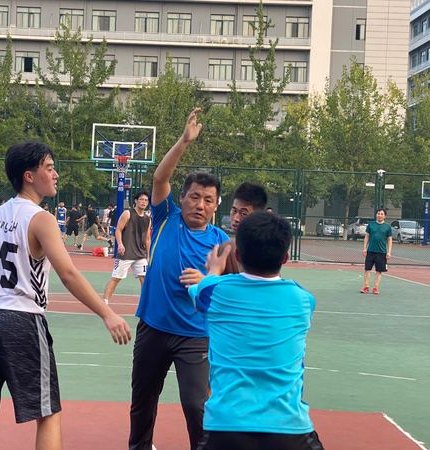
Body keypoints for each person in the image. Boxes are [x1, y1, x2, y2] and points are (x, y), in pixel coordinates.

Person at [0, 140, 131, 450]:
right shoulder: (41, 219)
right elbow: (68, 274)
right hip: (21, 320)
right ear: (29, 176)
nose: (55, 174)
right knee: (48, 413)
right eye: (49, 168)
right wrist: (107, 313)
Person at [129, 108, 230, 450]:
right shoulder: (166, 217)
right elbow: (160, 179)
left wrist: (208, 278)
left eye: (208, 200)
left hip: (195, 335)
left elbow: (232, 290)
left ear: (215, 206)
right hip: (153, 327)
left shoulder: (222, 243)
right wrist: (184, 141)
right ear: (182, 198)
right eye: (194, 196)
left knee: (196, 406)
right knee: (143, 400)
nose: (200, 204)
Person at [189, 212, 324, 450]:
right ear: (285, 257)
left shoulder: (213, 291)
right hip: (290, 429)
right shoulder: (303, 299)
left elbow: (200, 290)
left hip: (225, 428)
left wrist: (214, 269)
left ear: (238, 255)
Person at [102, 191, 151, 305]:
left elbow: (147, 238)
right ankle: (104, 302)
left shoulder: (147, 218)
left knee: (145, 279)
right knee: (116, 278)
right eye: (141, 199)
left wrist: (148, 255)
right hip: (126, 253)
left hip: (140, 254)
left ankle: (145, 304)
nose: (143, 202)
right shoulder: (127, 214)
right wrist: (120, 244)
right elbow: (118, 230)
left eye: (146, 200)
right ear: (136, 201)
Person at [361, 208, 392, 295]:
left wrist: (389, 252)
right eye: (378, 213)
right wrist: (365, 248)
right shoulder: (371, 225)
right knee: (367, 269)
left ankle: (375, 288)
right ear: (376, 215)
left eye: (382, 214)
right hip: (370, 251)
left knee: (379, 271)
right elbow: (367, 236)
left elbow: (389, 240)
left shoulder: (387, 227)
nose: (380, 215)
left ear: (385, 216)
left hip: (381, 252)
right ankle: (366, 287)